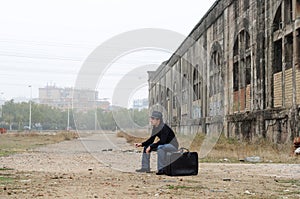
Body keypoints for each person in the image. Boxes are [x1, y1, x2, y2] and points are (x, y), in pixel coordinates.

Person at [135, 111, 179, 175]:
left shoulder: (164, 127)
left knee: (160, 147)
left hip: (172, 146)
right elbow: (151, 140)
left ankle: (161, 169)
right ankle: (145, 167)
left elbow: (162, 142)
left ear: (158, 120)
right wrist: (142, 144)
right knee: (147, 147)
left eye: (153, 118)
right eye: (151, 118)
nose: (151, 120)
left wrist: (151, 146)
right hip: (164, 145)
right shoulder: (155, 128)